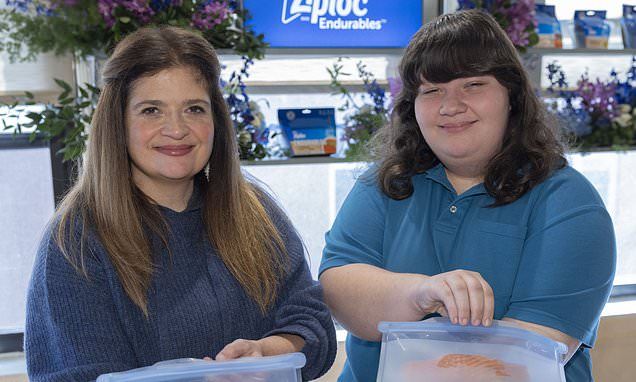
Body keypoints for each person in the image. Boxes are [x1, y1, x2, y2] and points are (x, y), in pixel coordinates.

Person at [25, 26, 336, 381]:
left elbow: (312, 325)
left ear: (215, 119)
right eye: (151, 110)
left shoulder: (256, 212)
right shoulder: (76, 241)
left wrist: (267, 352)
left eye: (194, 109)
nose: (176, 129)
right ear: (117, 123)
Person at [319, 9, 615, 382]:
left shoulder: (568, 203)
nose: (450, 106)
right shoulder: (382, 184)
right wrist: (419, 293)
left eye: (473, 85)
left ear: (512, 96)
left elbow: (527, 359)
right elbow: (339, 290)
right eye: (431, 90)